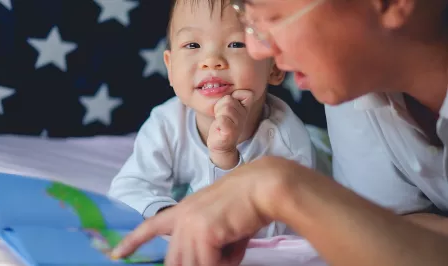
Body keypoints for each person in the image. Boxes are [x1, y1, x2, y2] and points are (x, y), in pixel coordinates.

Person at [110, 0, 448, 265]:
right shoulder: (352, 93)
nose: (261, 50)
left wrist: (278, 187)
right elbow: (393, 231)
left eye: (272, 18)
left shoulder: (288, 133)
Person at [108, 0, 319, 239]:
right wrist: (169, 215)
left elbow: (276, 231)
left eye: (236, 43)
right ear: (170, 66)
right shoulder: (166, 123)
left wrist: (226, 159)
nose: (211, 60)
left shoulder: (288, 144)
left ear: (274, 67)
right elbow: (126, 190)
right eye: (192, 44)